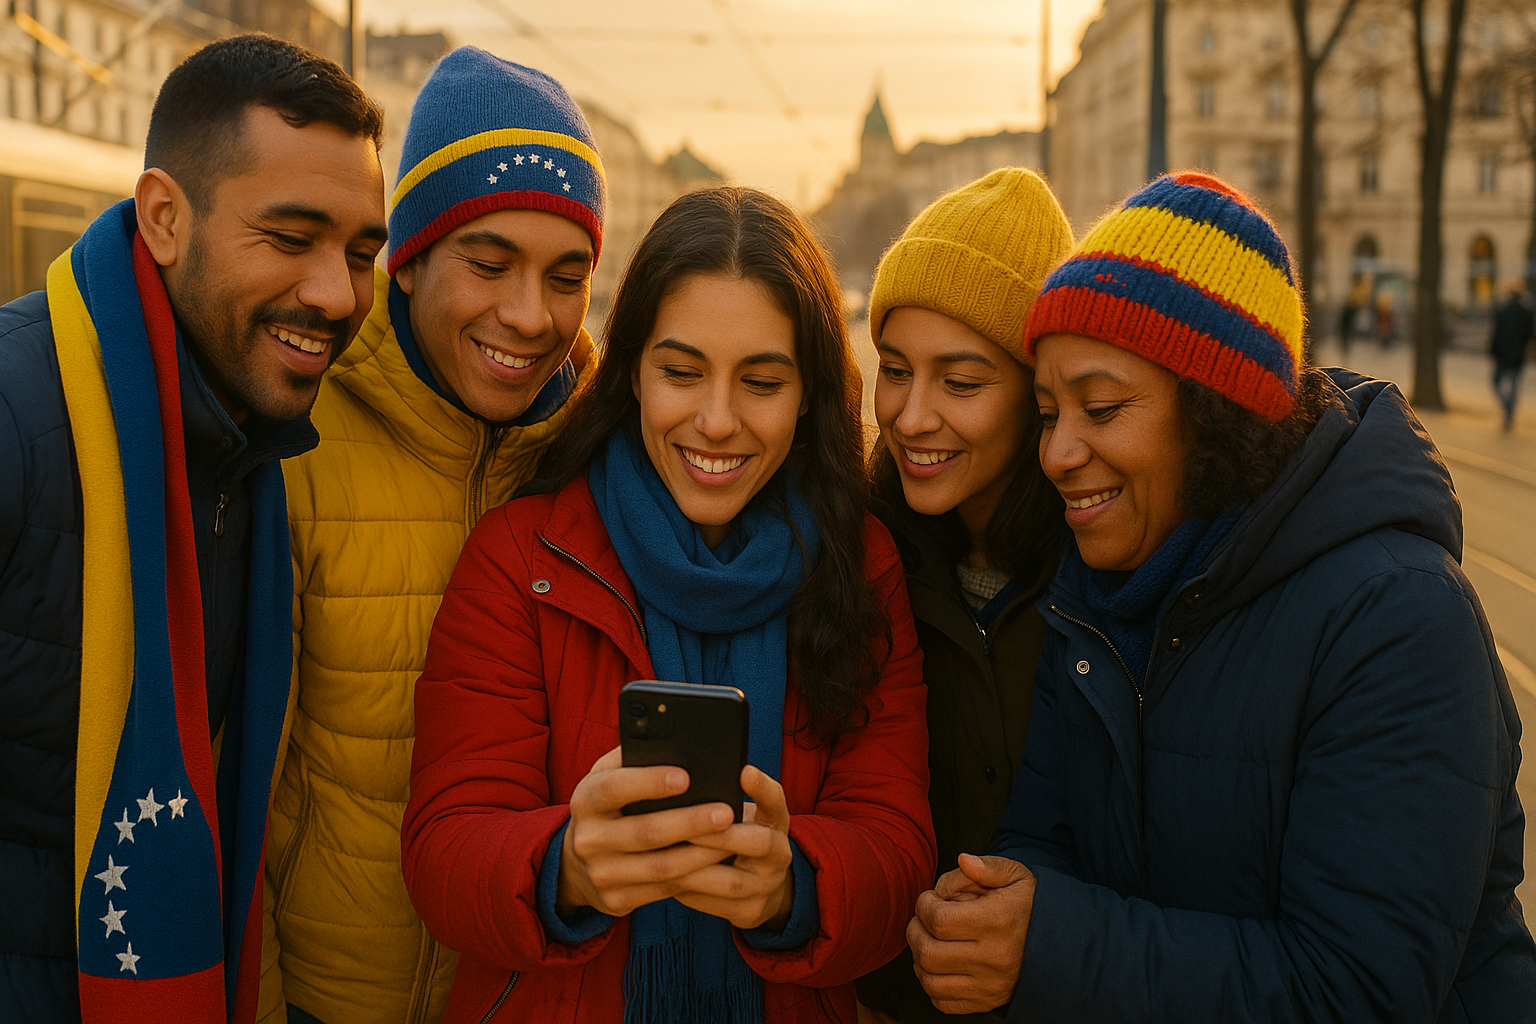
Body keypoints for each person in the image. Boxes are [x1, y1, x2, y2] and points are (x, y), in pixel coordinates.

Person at [907, 172, 1536, 1021]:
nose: (1057, 453)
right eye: (1050, 413)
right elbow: (1040, 841)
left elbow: (1355, 993)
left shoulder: (1400, 618)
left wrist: (1046, 944)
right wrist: (991, 915)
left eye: (1100, 407)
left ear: (1215, 412)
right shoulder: (1093, 590)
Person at [400, 186, 935, 1023]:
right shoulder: (522, 555)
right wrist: (566, 865)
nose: (716, 422)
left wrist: (790, 883)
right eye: (681, 373)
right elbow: (443, 848)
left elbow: (897, 851)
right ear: (633, 372)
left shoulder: (862, 566)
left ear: (810, 396)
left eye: (761, 382)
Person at [0, 35, 385, 1024]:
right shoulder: (15, 415)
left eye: (360, 251)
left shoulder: (259, 446)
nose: (336, 293)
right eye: (290, 237)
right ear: (166, 219)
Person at [262, 48, 605, 1024]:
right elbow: (237, 783)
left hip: (526, 992)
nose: (529, 316)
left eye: (566, 274)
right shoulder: (300, 441)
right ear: (406, 263)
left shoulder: (606, 447)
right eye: (488, 264)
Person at [854, 168, 1071, 1024]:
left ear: (1037, 394)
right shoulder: (863, 556)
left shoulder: (1103, 571)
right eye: (895, 370)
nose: (909, 416)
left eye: (962, 382)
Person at [1490, 281, 1534, 431]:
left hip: (1508, 355)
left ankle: (1508, 412)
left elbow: (1498, 333)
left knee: (1499, 382)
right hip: (1512, 356)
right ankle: (1508, 411)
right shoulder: (1521, 313)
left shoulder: (1511, 312)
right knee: (1508, 384)